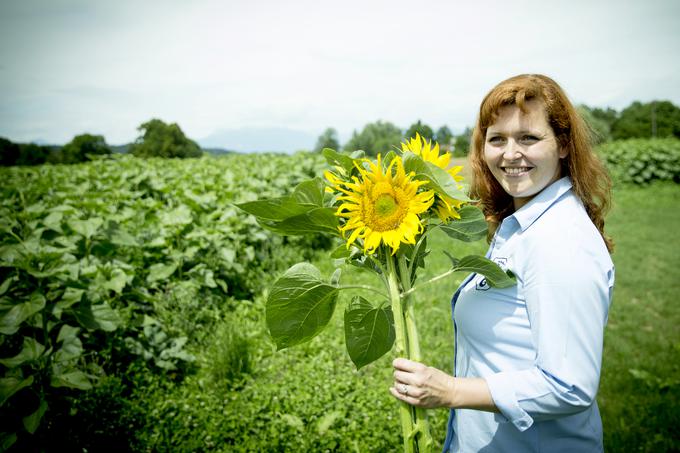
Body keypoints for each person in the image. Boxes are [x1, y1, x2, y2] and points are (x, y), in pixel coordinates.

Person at [389, 74, 615, 452]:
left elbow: (569, 386)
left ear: (562, 144)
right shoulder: (524, 225)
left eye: (528, 138)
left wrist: (449, 390)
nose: (510, 154)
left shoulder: (560, 241)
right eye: (497, 139)